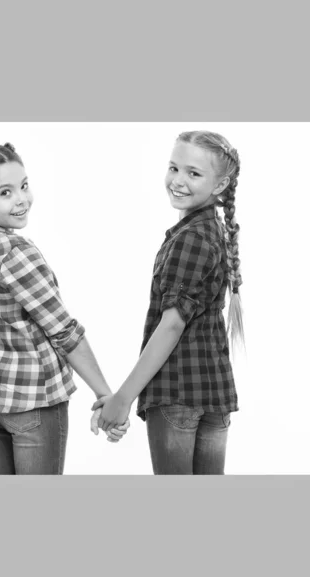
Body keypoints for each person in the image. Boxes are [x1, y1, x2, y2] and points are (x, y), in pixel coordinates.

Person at [0, 142, 129, 475]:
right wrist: (106, 395)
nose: (21, 199)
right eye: (5, 192)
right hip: (33, 405)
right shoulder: (13, 252)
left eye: (24, 185)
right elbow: (63, 331)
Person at [92, 131, 244, 475]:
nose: (177, 180)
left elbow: (172, 325)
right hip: (213, 395)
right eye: (174, 168)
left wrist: (122, 398)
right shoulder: (210, 232)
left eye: (194, 173)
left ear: (220, 185)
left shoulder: (191, 239)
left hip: (176, 393)